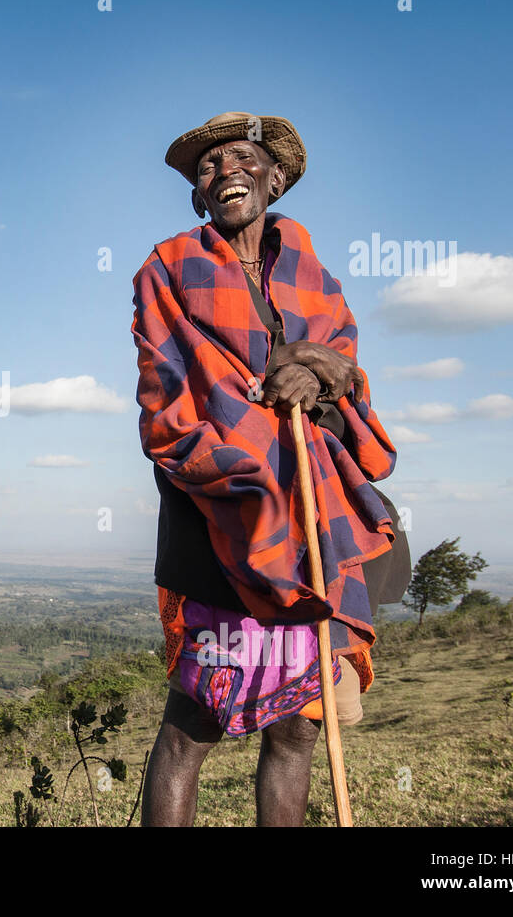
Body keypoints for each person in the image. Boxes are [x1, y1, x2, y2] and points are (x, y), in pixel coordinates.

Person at [131, 112, 411, 826]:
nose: (224, 171)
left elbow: (352, 385)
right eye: (207, 166)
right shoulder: (167, 270)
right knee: (194, 722)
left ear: (275, 178)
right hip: (218, 515)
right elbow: (165, 408)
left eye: (242, 158)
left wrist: (319, 380)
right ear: (198, 196)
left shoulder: (319, 280)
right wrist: (245, 467)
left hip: (318, 524)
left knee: (296, 729)